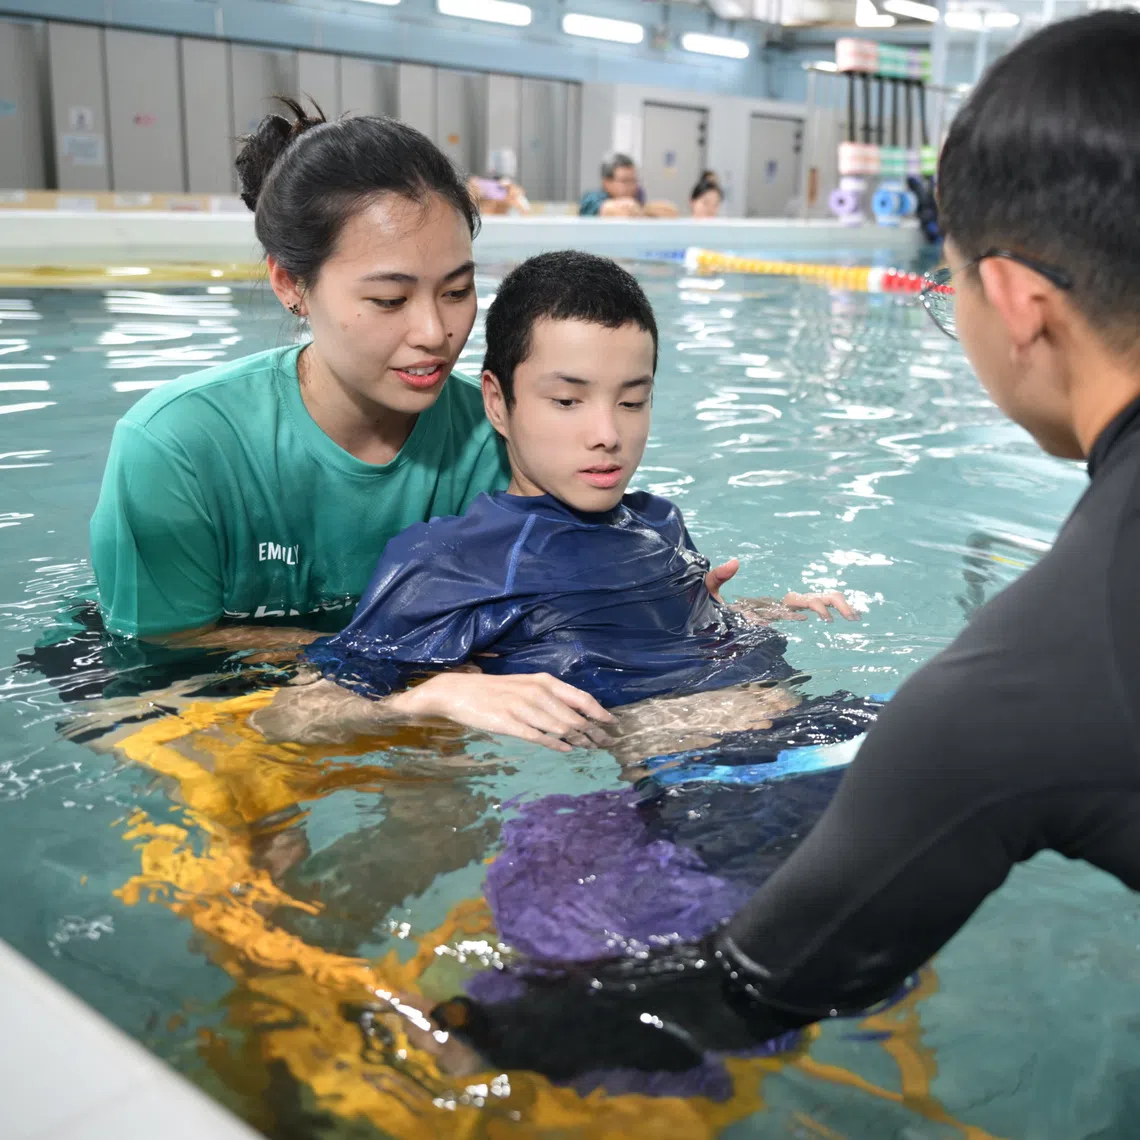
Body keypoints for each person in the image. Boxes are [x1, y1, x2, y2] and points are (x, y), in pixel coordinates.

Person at [411, 11, 1140, 1078]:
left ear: (1018, 304)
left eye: (947, 295)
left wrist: (443, 1039)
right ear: (505, 403)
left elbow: (755, 987)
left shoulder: (1027, 679)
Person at [88, 101, 738, 749]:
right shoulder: (179, 448)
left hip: (413, 690)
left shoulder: (508, 435)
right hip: (198, 705)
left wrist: (668, 613)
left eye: (456, 291)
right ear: (290, 284)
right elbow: (163, 665)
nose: (436, 333)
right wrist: (402, 674)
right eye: (389, 300)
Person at [250, 252, 857, 749]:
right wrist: (433, 696)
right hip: (702, 783)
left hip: (817, 721)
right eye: (567, 401)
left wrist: (762, 611)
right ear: (497, 403)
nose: (607, 433)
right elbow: (295, 712)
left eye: (631, 400)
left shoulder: (658, 523)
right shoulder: (452, 563)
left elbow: (629, 627)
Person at [578, 153, 679, 219]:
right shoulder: (591, 199)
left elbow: (672, 211)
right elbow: (613, 210)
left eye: (634, 180)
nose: (631, 186)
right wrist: (644, 211)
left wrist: (641, 209)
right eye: (625, 181)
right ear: (607, 182)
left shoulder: (637, 197)